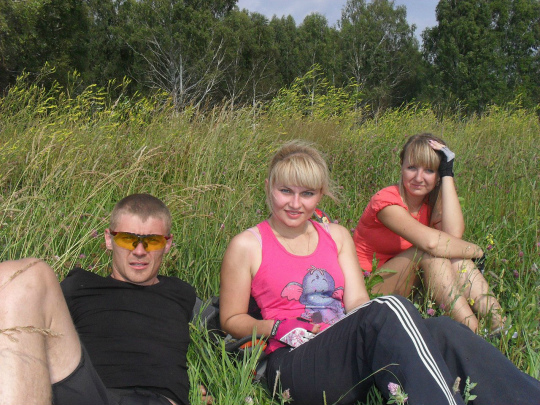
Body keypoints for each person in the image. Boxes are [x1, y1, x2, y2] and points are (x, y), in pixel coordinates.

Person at [219, 140, 540, 405]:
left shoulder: (336, 236)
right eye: (285, 191)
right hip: (292, 361)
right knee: (389, 309)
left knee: (444, 330)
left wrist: (357, 323)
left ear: (320, 194)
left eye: (307, 193)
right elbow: (231, 319)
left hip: (342, 347)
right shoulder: (248, 245)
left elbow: (358, 301)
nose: (295, 203)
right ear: (269, 188)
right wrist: (276, 326)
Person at [0, 193, 211, 405]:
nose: (139, 251)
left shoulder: (180, 292)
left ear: (167, 243)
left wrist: (198, 384)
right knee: (27, 274)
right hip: (88, 394)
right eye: (127, 239)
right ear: (109, 239)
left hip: (154, 400)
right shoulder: (79, 286)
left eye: (152, 241)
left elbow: (220, 330)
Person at [353, 133, 503, 333]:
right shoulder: (386, 202)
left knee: (457, 259)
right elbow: (432, 244)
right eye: (412, 168)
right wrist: (477, 251)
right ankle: (475, 335)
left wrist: (447, 174)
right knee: (428, 253)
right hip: (368, 291)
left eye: (429, 171)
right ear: (401, 167)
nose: (418, 178)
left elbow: (453, 237)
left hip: (409, 287)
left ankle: (501, 327)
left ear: (437, 175)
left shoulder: (430, 203)